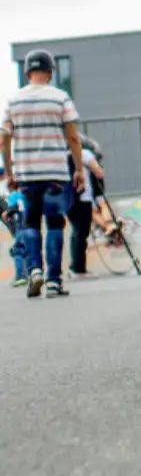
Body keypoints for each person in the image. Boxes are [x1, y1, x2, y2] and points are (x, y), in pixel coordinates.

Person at [1, 50, 85, 298]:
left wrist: (10, 172)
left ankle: (35, 270)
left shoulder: (13, 100)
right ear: (49, 72)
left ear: (27, 72)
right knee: (55, 223)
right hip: (55, 173)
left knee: (30, 223)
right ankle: (53, 282)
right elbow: (73, 137)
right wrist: (79, 169)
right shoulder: (60, 97)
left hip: (27, 174)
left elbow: (4, 139)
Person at [66, 140, 104, 279]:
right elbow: (99, 173)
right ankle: (79, 269)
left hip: (68, 199)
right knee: (82, 234)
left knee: (76, 232)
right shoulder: (85, 154)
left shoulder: (65, 156)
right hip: (83, 198)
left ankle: (76, 267)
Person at [1, 168, 28, 287]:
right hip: (30, 226)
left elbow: (12, 208)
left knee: (17, 250)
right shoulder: (27, 194)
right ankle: (33, 271)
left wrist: (7, 213)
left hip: (20, 226)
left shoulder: (13, 196)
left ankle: (21, 276)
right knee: (29, 249)